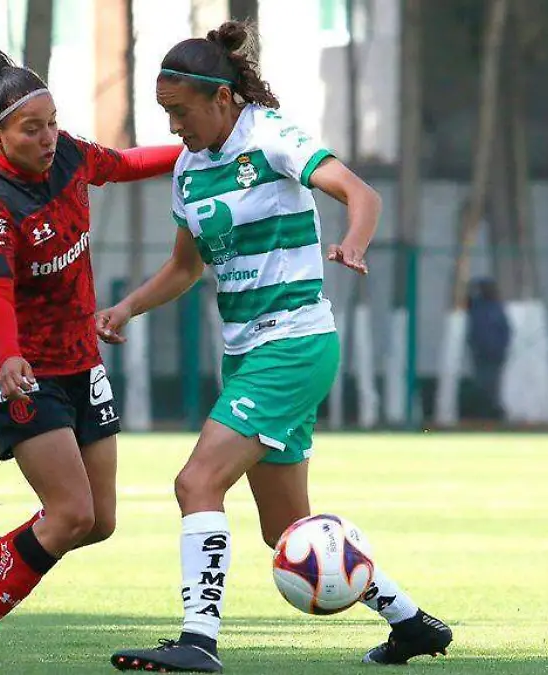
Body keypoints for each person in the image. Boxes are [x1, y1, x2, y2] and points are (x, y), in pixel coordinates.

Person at [97, 22, 453, 671]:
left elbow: (361, 193)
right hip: (249, 355)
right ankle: (411, 623)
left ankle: (198, 641)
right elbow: (186, 266)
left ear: (223, 99)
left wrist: (354, 241)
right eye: (166, 114)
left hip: (292, 345)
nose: (175, 126)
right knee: (285, 531)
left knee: (195, 481)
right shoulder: (187, 171)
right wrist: (128, 306)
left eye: (181, 112)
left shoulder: (270, 136)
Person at [0, 48, 181, 665]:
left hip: (82, 362)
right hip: (25, 373)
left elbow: (123, 164)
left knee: (98, 522)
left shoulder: (67, 153)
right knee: (69, 514)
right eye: (31, 128)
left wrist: (201, 146)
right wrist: (12, 356)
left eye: (51, 121)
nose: (48, 137)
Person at [466, 277, 510, 420]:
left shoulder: (496, 308)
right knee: (482, 384)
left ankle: (492, 413)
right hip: (481, 354)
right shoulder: (477, 306)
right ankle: (484, 413)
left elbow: (505, 331)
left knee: (491, 385)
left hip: (494, 355)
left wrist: (501, 349)